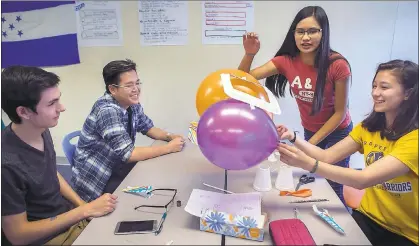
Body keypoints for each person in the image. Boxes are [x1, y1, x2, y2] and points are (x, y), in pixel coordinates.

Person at [277, 60, 418, 246]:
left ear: (408, 93)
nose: (375, 93)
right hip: (368, 218)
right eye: (374, 86)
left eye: (384, 87)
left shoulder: (414, 139)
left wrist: (309, 164)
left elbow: (363, 179)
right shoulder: (368, 129)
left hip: (405, 234)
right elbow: (327, 156)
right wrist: (293, 138)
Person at [238, 6, 353, 204]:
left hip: (338, 132)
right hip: (310, 129)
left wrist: (309, 145)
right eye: (301, 31)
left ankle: (346, 223)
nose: (306, 37)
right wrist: (249, 54)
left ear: (323, 32)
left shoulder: (337, 64)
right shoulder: (286, 61)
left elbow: (340, 113)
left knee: (333, 183)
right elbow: (242, 80)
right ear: (294, 34)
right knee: (314, 178)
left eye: (312, 31)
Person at [1, 66, 117, 246]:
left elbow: (51, 173)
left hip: (65, 218)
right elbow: (18, 235)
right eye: (51, 103)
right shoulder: (6, 165)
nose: (61, 108)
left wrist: (83, 205)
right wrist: (84, 211)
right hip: (45, 239)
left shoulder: (41, 130)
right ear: (24, 112)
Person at [72, 59, 185, 202]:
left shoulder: (131, 103)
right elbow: (129, 154)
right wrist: (169, 148)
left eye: (137, 83)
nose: (136, 89)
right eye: (129, 85)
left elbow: (148, 127)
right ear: (112, 89)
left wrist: (171, 136)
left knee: (156, 181)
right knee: (144, 198)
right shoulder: (107, 110)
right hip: (99, 180)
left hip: (117, 166)